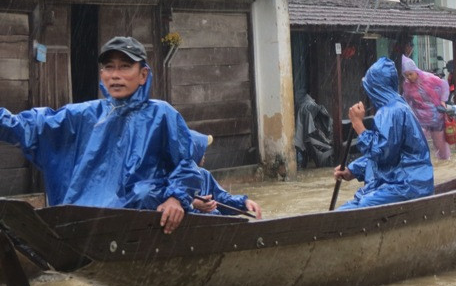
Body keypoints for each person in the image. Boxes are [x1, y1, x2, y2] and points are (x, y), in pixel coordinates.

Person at [0, 36, 204, 234]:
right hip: (84, 220)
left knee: (145, 193)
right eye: (109, 67)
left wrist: (175, 199)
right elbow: (29, 126)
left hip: (140, 225)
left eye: (125, 66)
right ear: (101, 74)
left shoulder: (161, 114)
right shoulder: (84, 115)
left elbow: (186, 165)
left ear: (143, 75)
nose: (115, 75)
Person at [333, 57, 434, 209]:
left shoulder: (392, 111)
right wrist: (352, 170)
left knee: (364, 204)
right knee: (348, 207)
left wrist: (358, 125)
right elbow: (384, 156)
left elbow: (382, 153)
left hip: (408, 184)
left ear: (375, 88)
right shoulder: (393, 108)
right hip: (396, 181)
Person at [188, 130, 262, 219]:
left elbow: (223, 199)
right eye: (202, 149)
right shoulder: (175, 179)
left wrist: (244, 202)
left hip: (215, 224)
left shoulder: (205, 175)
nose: (204, 154)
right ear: (194, 151)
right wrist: (192, 205)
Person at [401, 55, 451, 160]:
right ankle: (421, 163)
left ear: (416, 71)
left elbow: (444, 85)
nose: (409, 77)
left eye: (410, 74)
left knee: (440, 145)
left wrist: (443, 101)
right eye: (406, 75)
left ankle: (445, 163)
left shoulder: (429, 78)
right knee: (418, 143)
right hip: (420, 119)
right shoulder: (406, 85)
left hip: (436, 117)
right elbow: (406, 99)